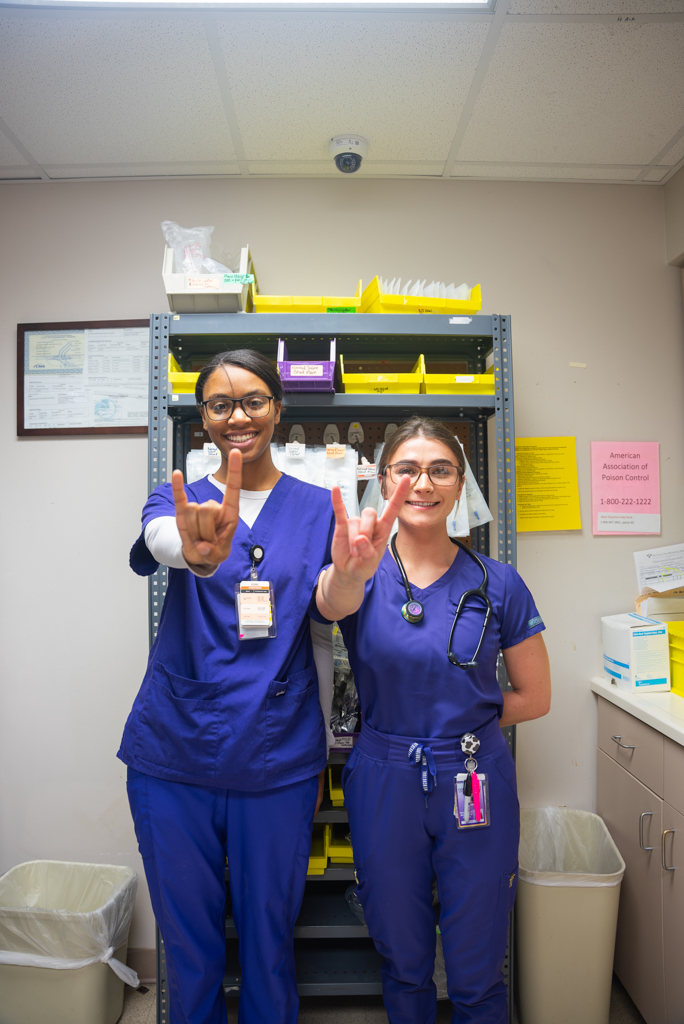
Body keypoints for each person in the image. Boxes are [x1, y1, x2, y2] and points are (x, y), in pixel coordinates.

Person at [118, 348, 408, 1024]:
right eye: (219, 404)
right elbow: (162, 539)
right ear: (202, 419)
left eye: (252, 400)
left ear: (278, 408)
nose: (237, 416)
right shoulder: (180, 497)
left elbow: (330, 604)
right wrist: (191, 549)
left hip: (275, 755)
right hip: (174, 755)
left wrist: (353, 575)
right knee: (188, 948)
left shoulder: (316, 509)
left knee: (269, 939)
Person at [314, 416, 551, 1024]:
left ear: (461, 482)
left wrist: (464, 728)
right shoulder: (360, 571)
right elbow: (331, 603)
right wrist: (347, 572)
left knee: (477, 960)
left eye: (441, 469)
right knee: (403, 954)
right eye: (407, 469)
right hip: (384, 773)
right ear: (384, 479)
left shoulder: (499, 583)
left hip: (474, 774)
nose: (423, 483)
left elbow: (536, 695)